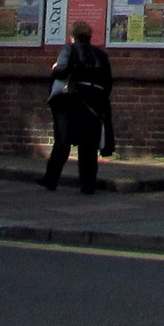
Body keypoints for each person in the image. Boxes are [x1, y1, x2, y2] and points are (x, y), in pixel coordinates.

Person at [43, 19, 115, 195]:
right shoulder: (100, 55)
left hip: (71, 102)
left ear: (73, 36)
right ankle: (88, 185)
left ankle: (51, 179)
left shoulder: (69, 49)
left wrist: (54, 69)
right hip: (94, 105)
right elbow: (108, 82)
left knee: (62, 142)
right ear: (89, 36)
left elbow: (61, 70)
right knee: (88, 146)